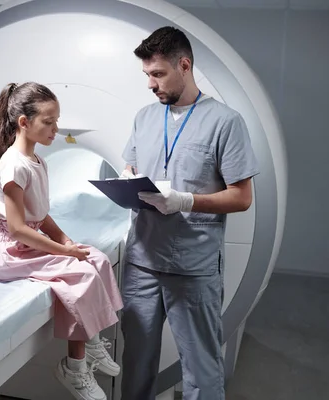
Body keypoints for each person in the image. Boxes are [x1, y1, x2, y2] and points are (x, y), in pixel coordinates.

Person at [119, 27, 260, 400]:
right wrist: (126, 180)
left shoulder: (225, 123)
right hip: (142, 261)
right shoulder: (144, 118)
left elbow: (241, 197)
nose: (151, 83)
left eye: (158, 74)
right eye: (147, 75)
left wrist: (185, 201)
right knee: (135, 363)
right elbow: (132, 168)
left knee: (200, 367)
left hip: (193, 266)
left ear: (184, 65)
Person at [0, 81, 124, 400]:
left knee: (97, 258)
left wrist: (69, 242)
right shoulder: (13, 167)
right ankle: (74, 369)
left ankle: (91, 342)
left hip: (27, 243)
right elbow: (19, 228)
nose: (55, 129)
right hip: (10, 250)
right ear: (24, 122)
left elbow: (42, 216)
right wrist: (64, 251)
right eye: (49, 122)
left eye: (56, 121)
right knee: (83, 275)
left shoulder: (38, 161)